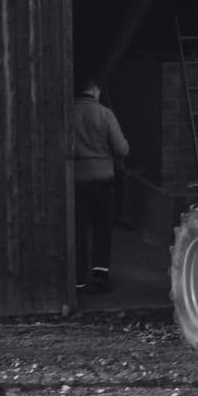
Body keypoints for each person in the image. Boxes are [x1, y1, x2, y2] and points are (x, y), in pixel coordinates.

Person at [71, 74, 129, 294]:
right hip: (103, 179)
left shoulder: (67, 113)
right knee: (102, 227)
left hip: (76, 179)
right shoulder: (105, 114)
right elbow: (121, 148)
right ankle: (100, 276)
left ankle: (78, 279)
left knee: (78, 229)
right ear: (95, 90)